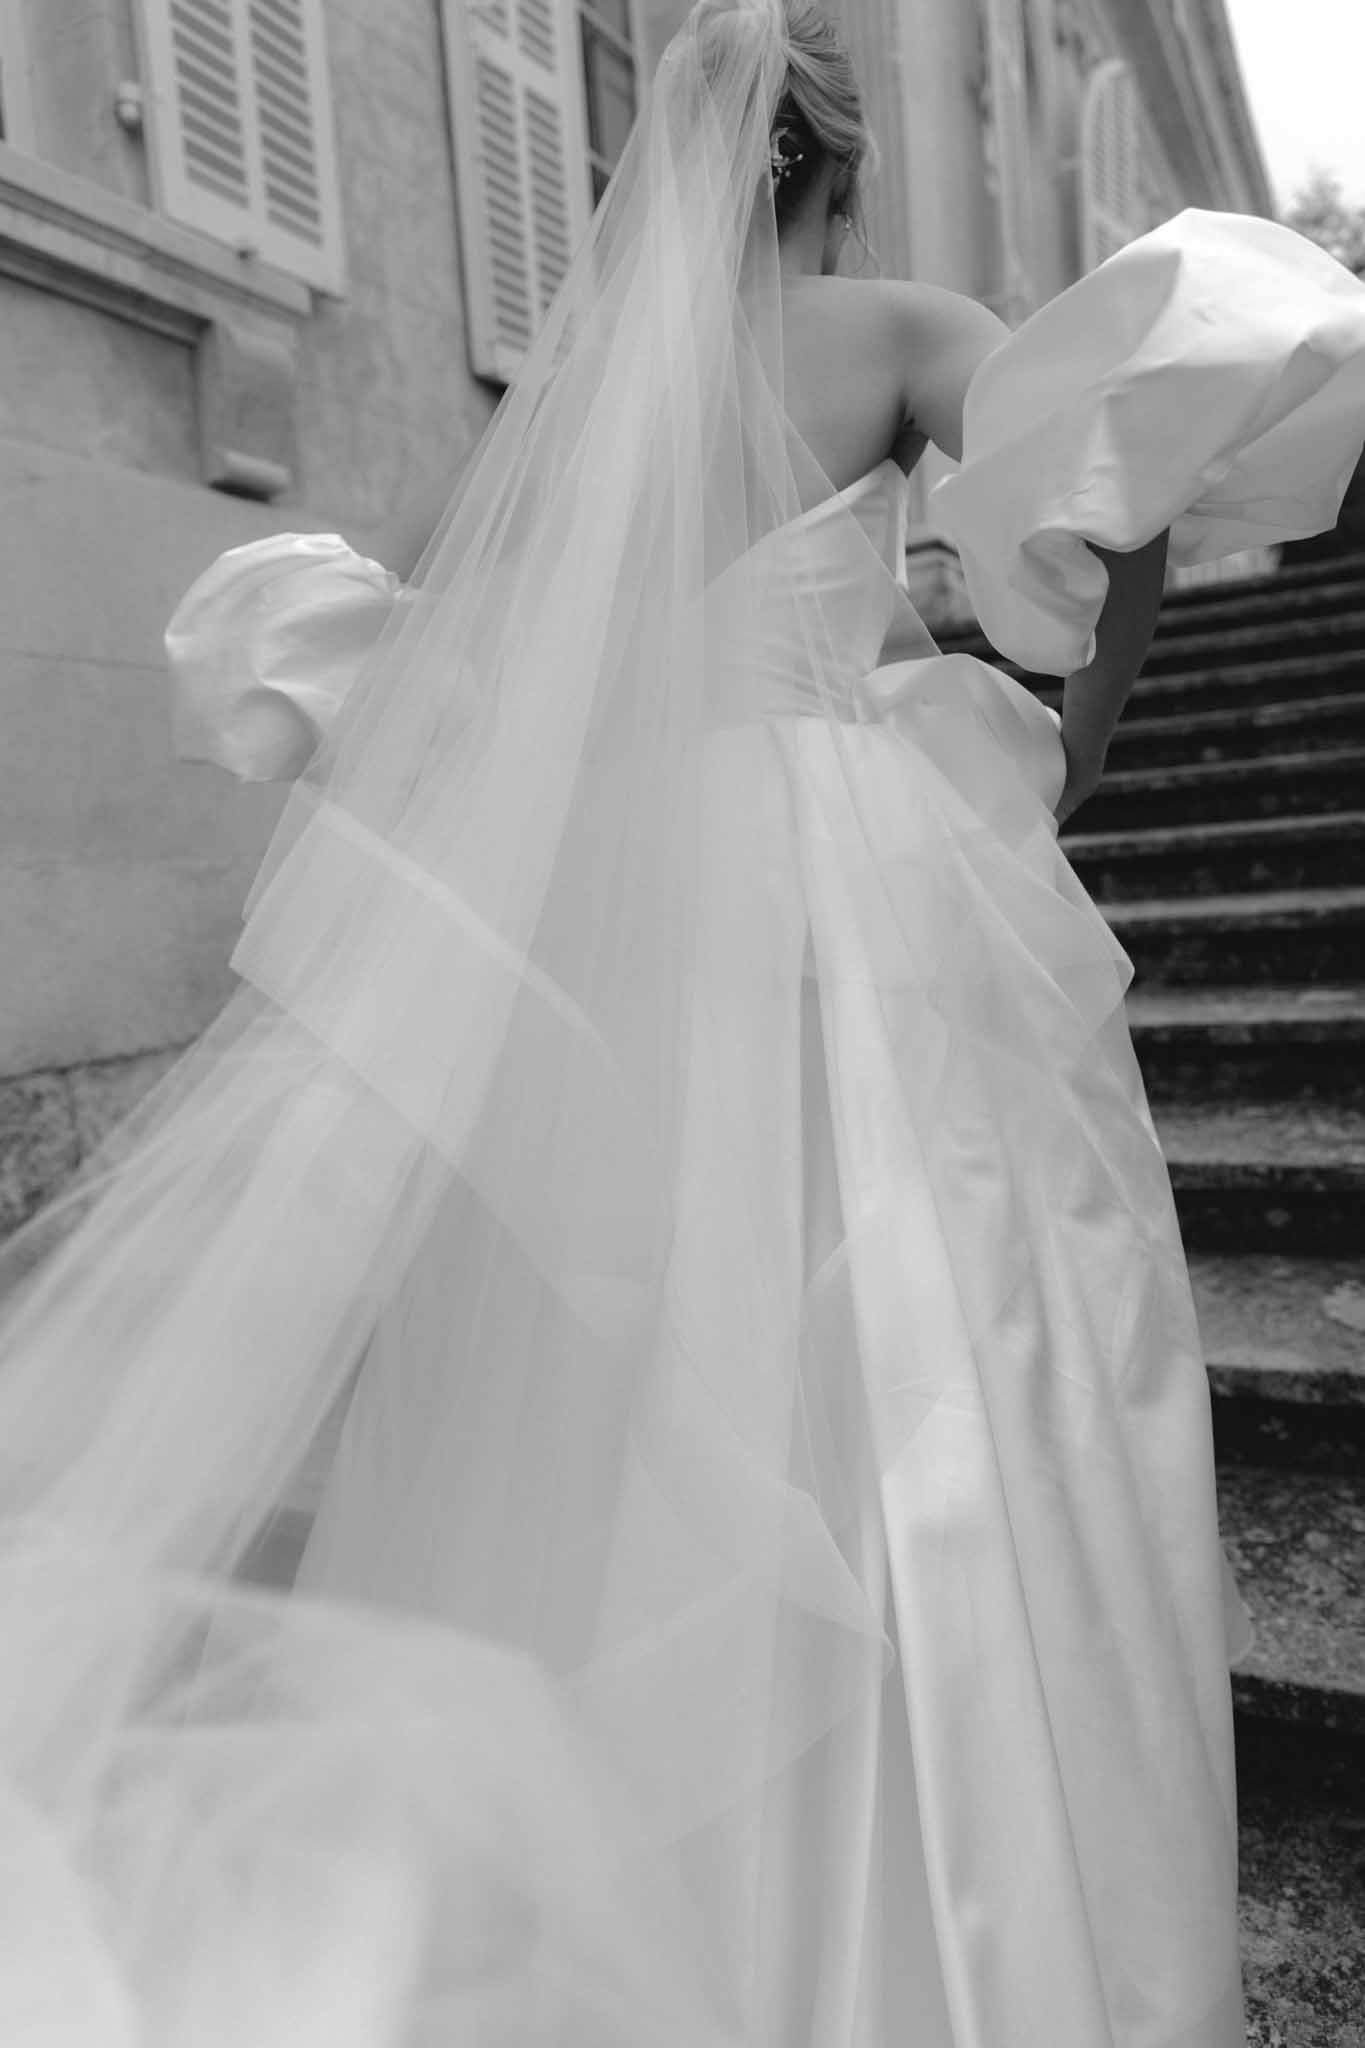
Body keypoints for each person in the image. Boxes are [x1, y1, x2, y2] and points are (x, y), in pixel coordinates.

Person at [2, 1, 1364, 2041]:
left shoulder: (572, 400)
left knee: (664, 1355)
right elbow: (1118, 472)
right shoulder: (895, 325)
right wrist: (1063, 733)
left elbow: (456, 673)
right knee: (947, 1318)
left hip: (642, 903)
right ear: (831, 173)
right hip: (867, 875)